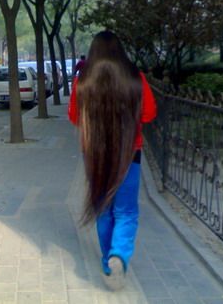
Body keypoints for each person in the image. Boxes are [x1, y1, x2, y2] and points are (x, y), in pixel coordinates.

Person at [68, 31, 156, 291]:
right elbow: (150, 114)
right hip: (130, 152)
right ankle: (119, 254)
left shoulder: (82, 82)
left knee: (103, 207)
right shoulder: (135, 79)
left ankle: (109, 262)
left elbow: (74, 116)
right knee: (126, 210)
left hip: (94, 153)